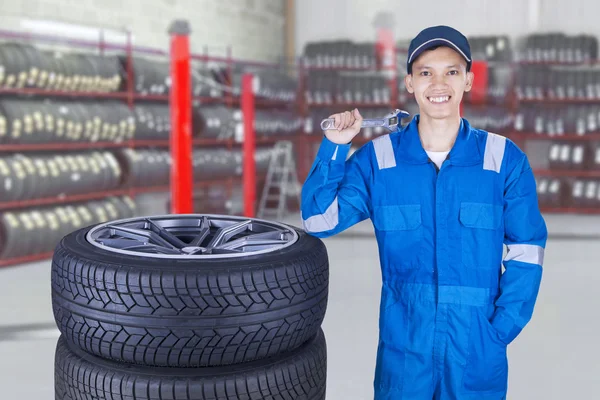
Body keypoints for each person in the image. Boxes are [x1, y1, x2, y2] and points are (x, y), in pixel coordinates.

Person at [300, 25, 547, 400]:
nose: (438, 83)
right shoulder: (380, 160)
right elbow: (319, 221)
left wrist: (499, 329)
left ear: (468, 81)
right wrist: (335, 149)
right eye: (426, 73)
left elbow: (527, 249)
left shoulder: (502, 160)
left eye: (451, 71)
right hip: (405, 348)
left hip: (476, 348)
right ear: (410, 83)